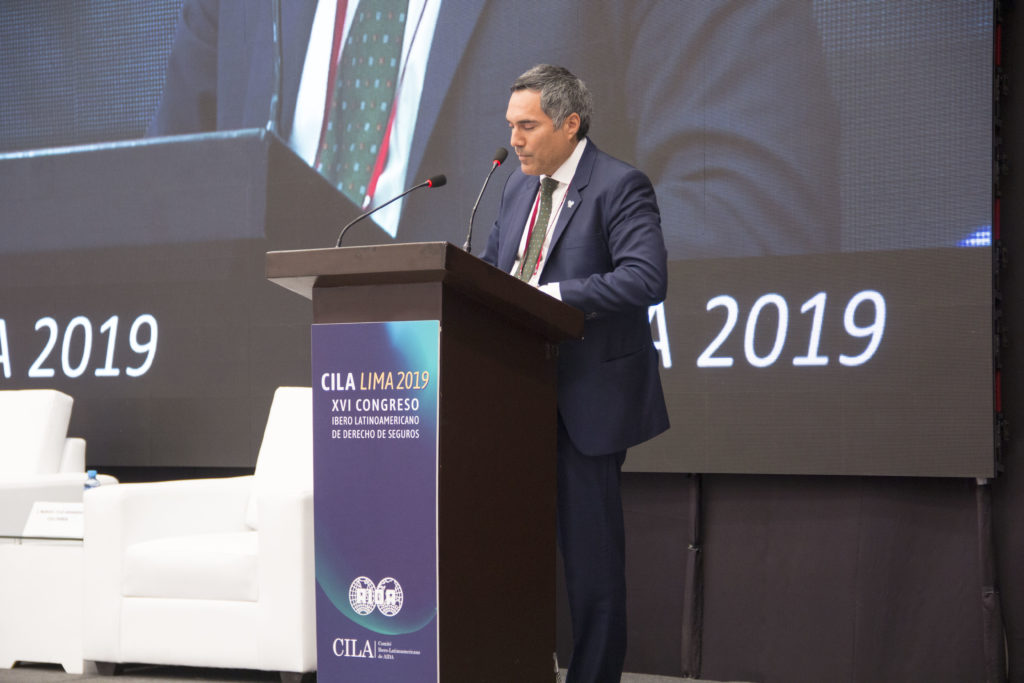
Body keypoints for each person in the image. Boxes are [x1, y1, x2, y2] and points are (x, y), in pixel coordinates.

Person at [148, 0, 838, 258]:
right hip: (247, 474)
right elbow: (160, 218)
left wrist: (489, 300)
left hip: (533, 458)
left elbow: (752, 217)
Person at [481, 64, 669, 683]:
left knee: (592, 562)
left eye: (528, 126)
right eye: (511, 125)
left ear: (570, 124)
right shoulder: (516, 191)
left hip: (585, 399)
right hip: (515, 393)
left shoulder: (620, 185)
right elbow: (490, 275)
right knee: (506, 548)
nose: (514, 139)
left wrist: (553, 296)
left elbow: (646, 278)